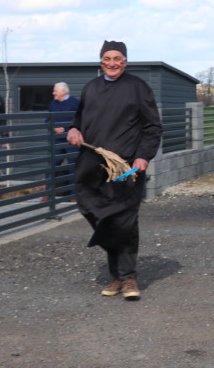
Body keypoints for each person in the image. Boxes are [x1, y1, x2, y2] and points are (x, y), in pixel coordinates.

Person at [66, 41, 162, 301]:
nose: (112, 63)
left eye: (117, 58)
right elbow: (78, 120)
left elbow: (153, 127)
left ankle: (126, 277)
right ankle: (118, 272)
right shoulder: (91, 89)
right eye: (107, 58)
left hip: (125, 168)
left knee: (124, 220)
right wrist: (74, 130)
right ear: (101, 61)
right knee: (99, 216)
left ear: (125, 61)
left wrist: (143, 156)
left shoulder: (138, 89)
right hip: (92, 166)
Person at [49, 82, 80, 195]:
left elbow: (82, 119)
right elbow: (48, 119)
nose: (53, 93)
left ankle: (73, 194)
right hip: (57, 141)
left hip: (71, 141)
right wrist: (54, 127)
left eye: (55, 91)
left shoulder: (75, 103)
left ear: (63, 91)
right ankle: (48, 193)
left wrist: (69, 128)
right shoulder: (53, 104)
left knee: (73, 167)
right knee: (52, 166)